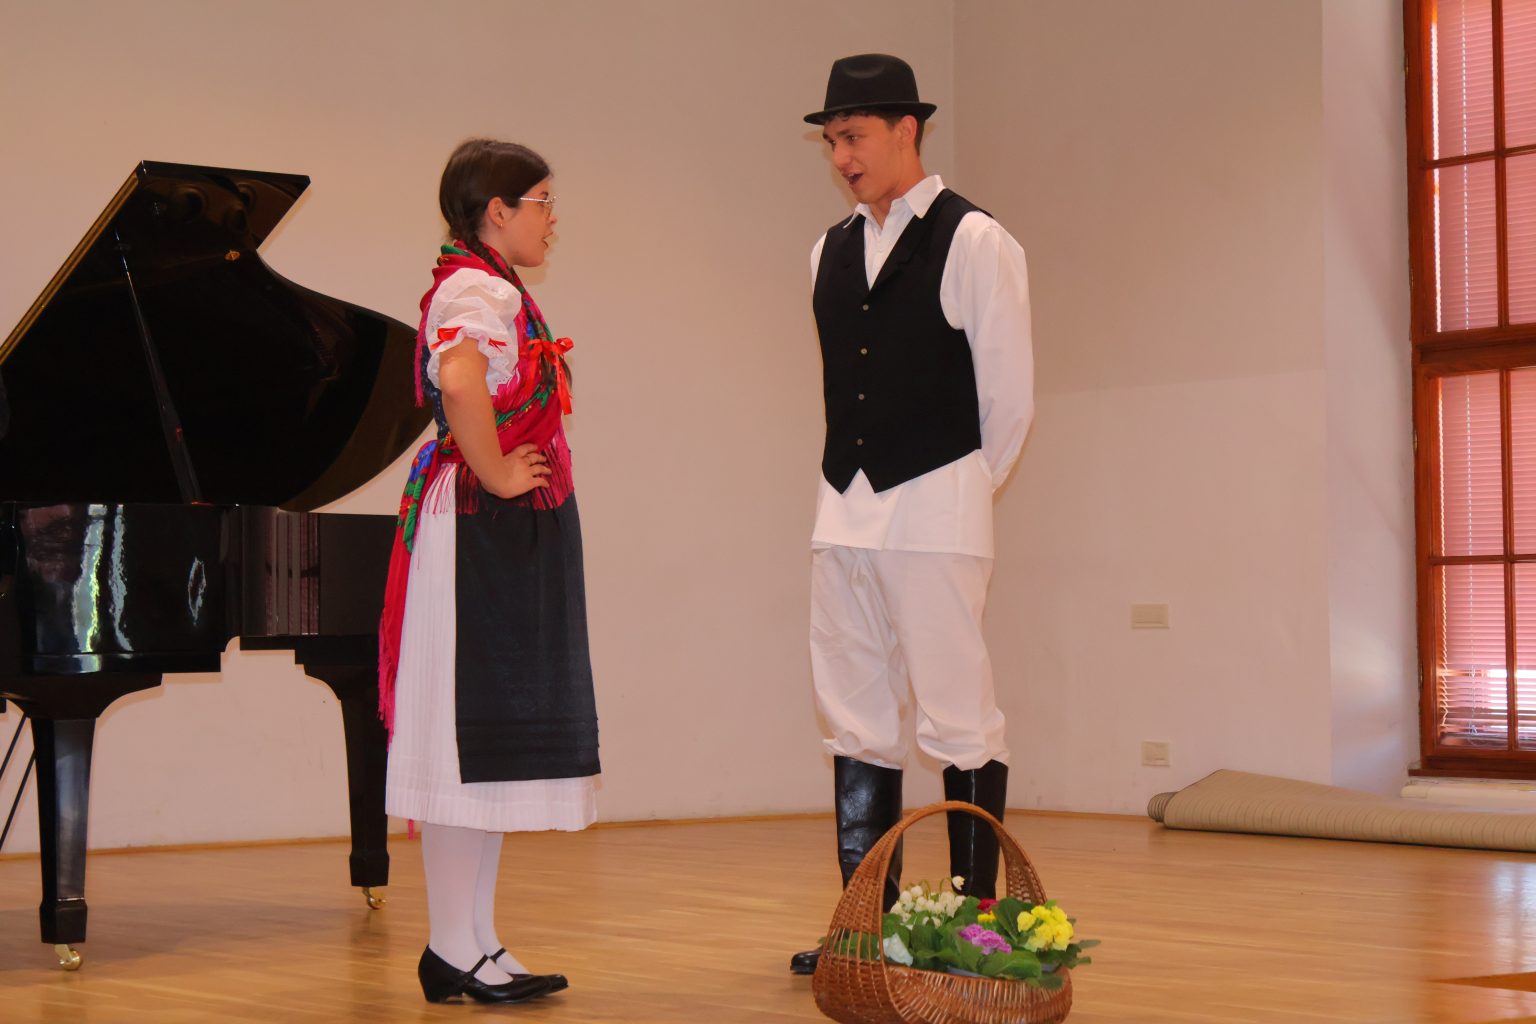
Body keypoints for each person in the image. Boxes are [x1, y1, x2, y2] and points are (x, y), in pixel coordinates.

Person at [791, 54, 1035, 975]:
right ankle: (869, 924)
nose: (840, 157)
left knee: (959, 717)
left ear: (907, 130)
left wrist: (956, 490)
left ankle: (975, 928)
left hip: (936, 512)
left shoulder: (976, 241)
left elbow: (1009, 403)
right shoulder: (825, 250)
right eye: (830, 141)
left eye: (853, 137)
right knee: (853, 720)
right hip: (840, 514)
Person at [377, 138, 600, 1004]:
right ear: (498, 211)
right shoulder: (479, 290)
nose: (553, 218)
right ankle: (450, 944)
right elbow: (462, 379)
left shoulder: (486, 285)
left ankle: (472, 941)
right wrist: (500, 471)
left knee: (487, 740)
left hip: (495, 531)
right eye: (542, 201)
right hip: (479, 528)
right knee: (462, 736)